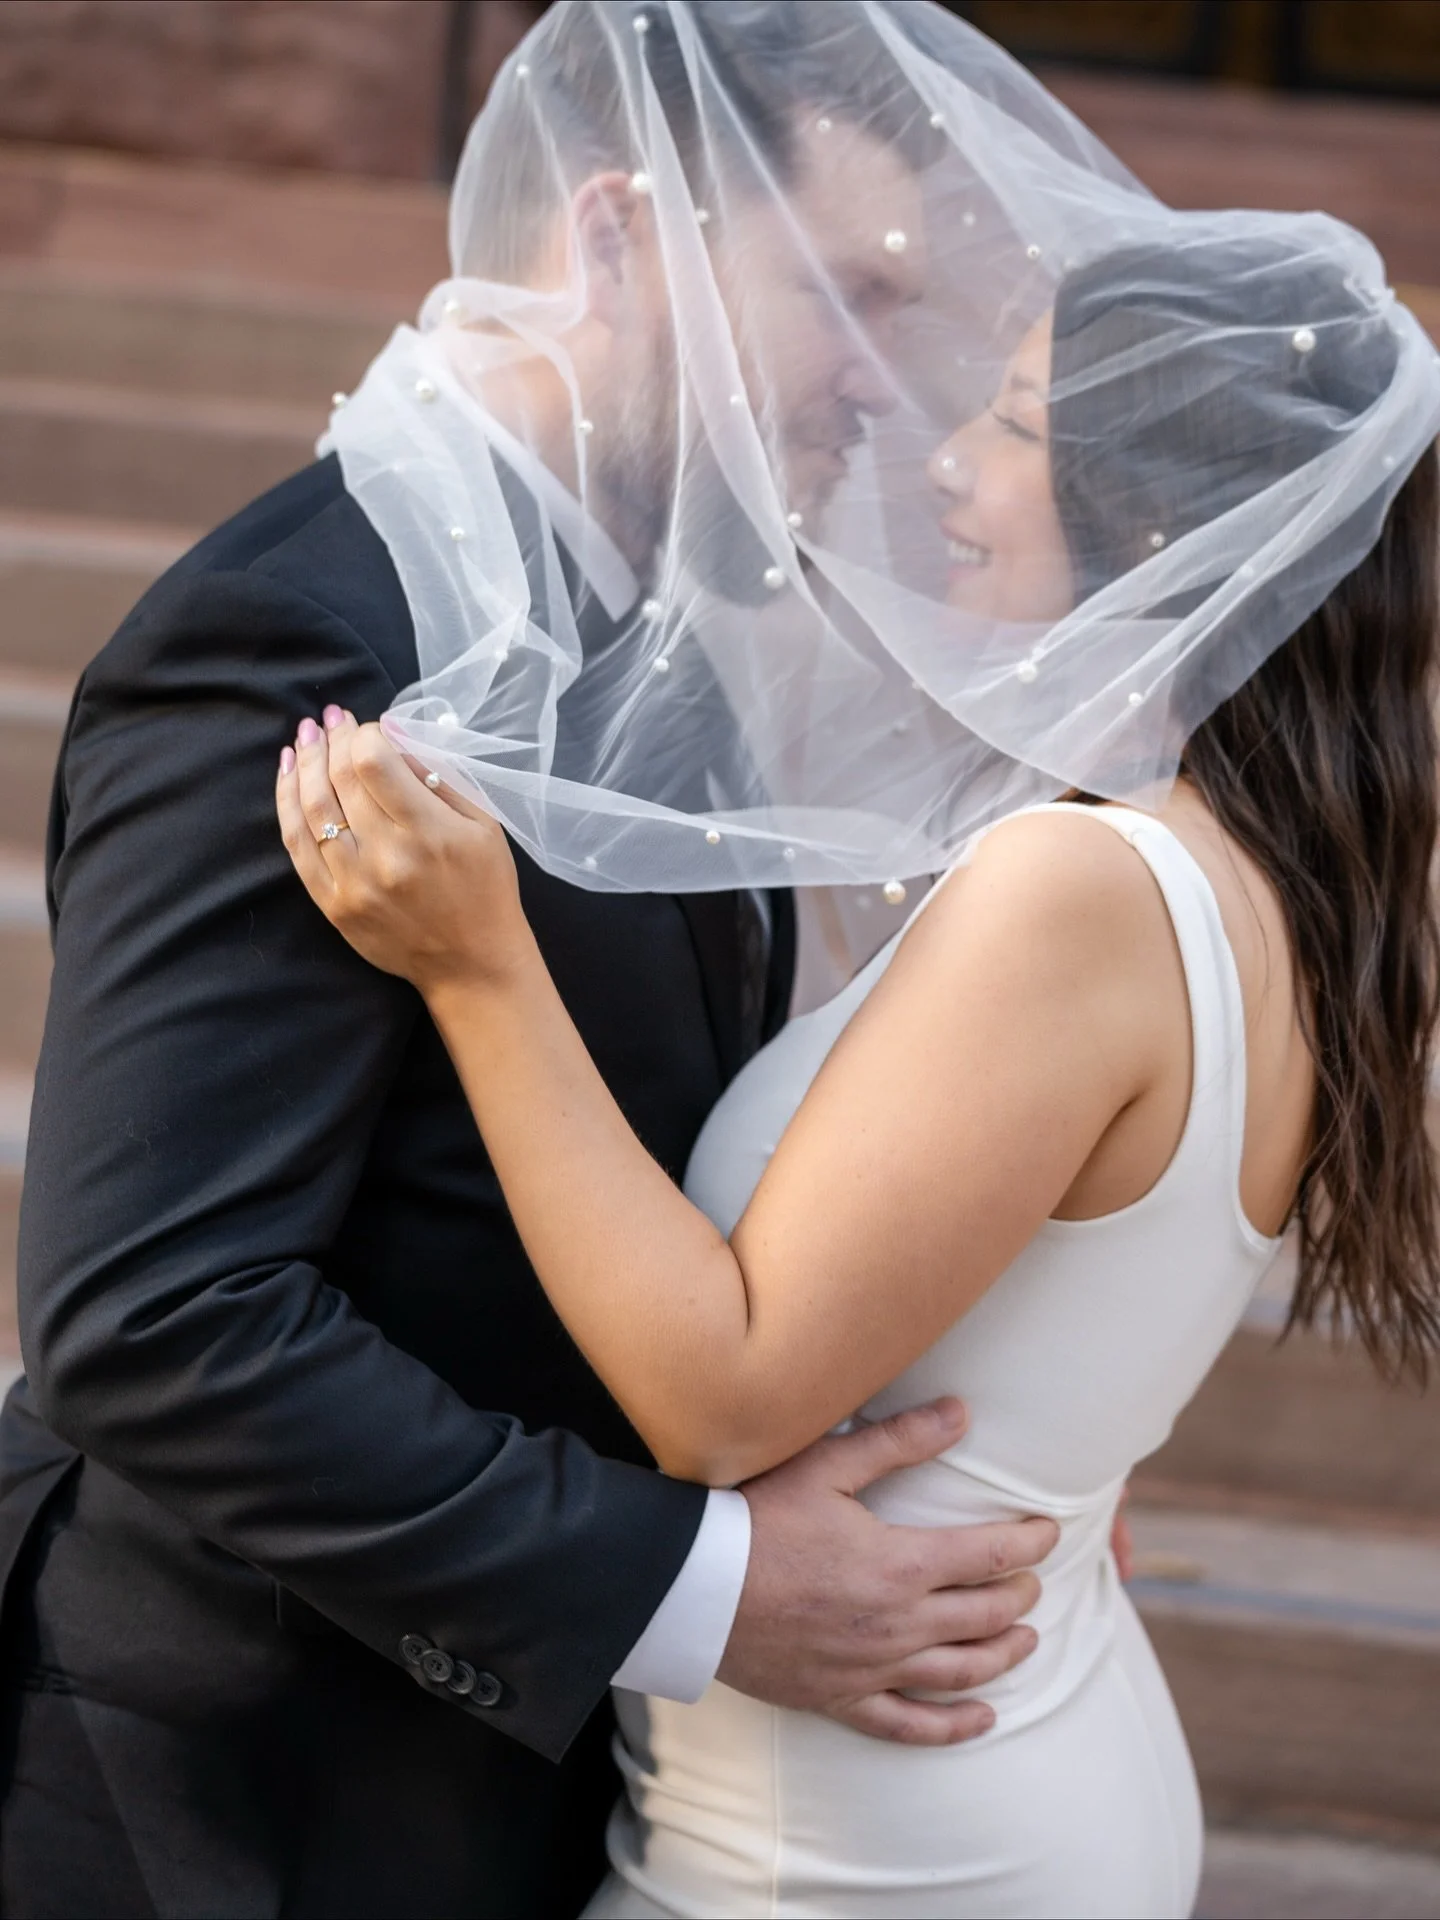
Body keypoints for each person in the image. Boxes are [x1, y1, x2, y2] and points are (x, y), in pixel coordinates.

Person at [275, 70, 1440, 1920]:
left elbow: (724, 1400)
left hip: (879, 1858)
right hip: (958, 1764)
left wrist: (480, 963)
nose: (952, 463)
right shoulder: (1257, 889)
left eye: (1015, 422)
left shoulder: (1081, 888)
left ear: (1151, 520)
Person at [0, 8, 1068, 1919]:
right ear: (614, 235)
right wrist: (710, 1592)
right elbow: (153, 1313)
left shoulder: (655, 657)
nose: (879, 383)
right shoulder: (296, 637)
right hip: (216, 1801)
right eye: (842, 292)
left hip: (471, 1796)